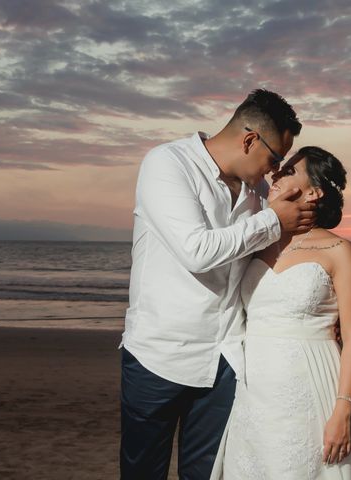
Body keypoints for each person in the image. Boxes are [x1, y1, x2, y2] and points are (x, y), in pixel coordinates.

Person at [119, 89, 316, 479]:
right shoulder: (167, 163)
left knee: (209, 475)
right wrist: (273, 221)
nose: (274, 171)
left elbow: (266, 265)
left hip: (225, 358)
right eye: (274, 158)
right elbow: (197, 251)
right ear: (248, 140)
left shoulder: (258, 193)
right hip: (159, 356)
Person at [211, 146, 351, 479]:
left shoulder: (340, 252)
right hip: (253, 391)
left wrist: (343, 409)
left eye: (288, 171)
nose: (275, 174)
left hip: (311, 385)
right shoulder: (255, 242)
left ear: (313, 192)